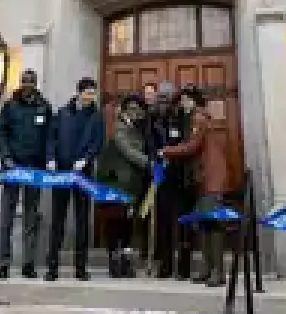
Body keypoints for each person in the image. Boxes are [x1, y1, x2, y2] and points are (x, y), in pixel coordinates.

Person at [160, 86, 229, 287]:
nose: (183, 104)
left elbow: (192, 146)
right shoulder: (196, 118)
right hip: (202, 177)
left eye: (186, 100)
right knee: (204, 224)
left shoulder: (198, 118)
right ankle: (208, 269)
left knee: (213, 225)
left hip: (211, 177)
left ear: (194, 101)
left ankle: (218, 272)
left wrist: (166, 150)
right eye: (181, 100)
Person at [0, 69, 52, 279]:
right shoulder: (10, 106)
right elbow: (0, 133)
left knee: (31, 217)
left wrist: (48, 160)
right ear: (20, 83)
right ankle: (3, 263)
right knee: (6, 218)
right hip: (12, 168)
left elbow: (48, 137)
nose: (28, 85)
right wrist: (6, 157)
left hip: (34, 169)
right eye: (25, 82)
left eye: (31, 82)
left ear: (35, 84)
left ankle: (28, 263)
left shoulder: (44, 107)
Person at [44, 77, 104, 282]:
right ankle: (52, 268)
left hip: (82, 175)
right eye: (87, 92)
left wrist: (86, 160)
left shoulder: (96, 117)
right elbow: (51, 138)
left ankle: (81, 268)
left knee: (82, 221)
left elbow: (97, 143)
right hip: (61, 173)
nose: (90, 96)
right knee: (57, 220)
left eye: (93, 93)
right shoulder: (62, 113)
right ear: (79, 93)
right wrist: (51, 159)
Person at [95, 93, 151, 278]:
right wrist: (149, 163)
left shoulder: (138, 129)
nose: (135, 112)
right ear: (124, 110)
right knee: (115, 224)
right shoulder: (119, 128)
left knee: (127, 225)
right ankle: (114, 262)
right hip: (116, 183)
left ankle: (125, 263)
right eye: (131, 108)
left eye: (138, 109)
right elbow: (127, 150)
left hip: (132, 184)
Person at [149, 82, 193, 279]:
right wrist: (156, 159)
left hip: (181, 175)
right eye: (161, 98)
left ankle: (184, 267)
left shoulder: (183, 117)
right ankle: (165, 265)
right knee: (164, 222)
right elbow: (150, 143)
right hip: (162, 177)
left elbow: (187, 143)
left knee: (183, 222)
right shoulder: (154, 119)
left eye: (168, 98)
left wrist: (171, 155)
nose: (164, 101)